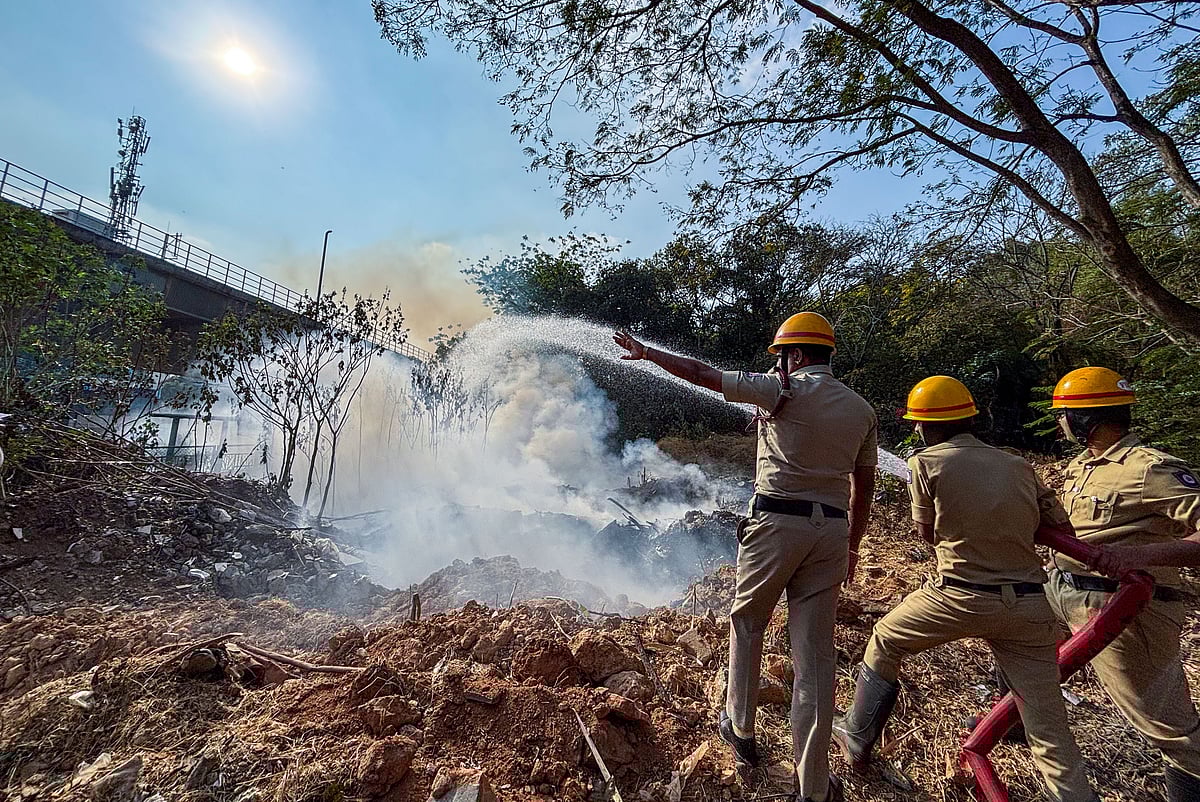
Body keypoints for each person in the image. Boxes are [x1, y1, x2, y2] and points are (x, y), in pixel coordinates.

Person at [614, 312, 876, 802]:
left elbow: (702, 374)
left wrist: (647, 352)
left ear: (794, 354)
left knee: (748, 621)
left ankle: (740, 727)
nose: (780, 362)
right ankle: (814, 787)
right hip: (832, 532)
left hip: (777, 522)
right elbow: (865, 486)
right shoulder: (861, 410)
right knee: (815, 658)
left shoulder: (782, 390)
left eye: (782, 355)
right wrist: (854, 544)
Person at [832, 376, 1100, 802]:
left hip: (959, 594)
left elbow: (926, 532)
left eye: (918, 424)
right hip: (1030, 604)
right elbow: (1059, 528)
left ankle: (857, 739)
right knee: (1050, 732)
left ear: (927, 426)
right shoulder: (1018, 465)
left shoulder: (925, 463)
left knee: (885, 639)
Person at [1046, 367, 1200, 802]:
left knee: (1166, 726)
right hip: (1063, 588)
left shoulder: (1150, 469)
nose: (1059, 423)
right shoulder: (1083, 465)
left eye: (1063, 415)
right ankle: (1016, 723)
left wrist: (1141, 557)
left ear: (1082, 419)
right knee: (1018, 634)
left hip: (1124, 610)